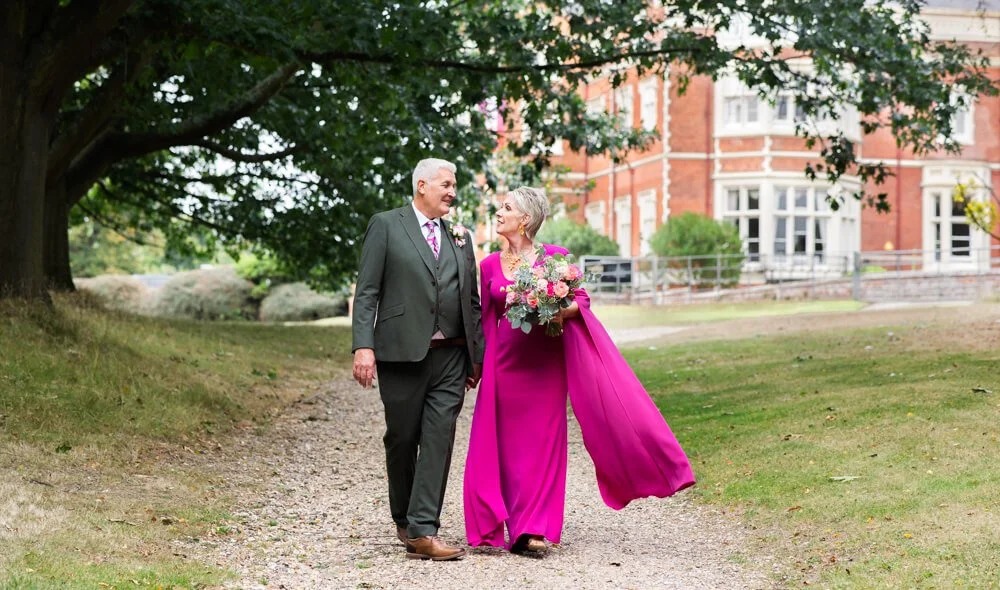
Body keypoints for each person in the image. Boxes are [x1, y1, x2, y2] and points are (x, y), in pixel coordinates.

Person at [463, 186, 695, 555]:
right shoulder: (489, 264)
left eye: (505, 208)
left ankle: (532, 528)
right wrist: (476, 365)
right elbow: (484, 319)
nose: (498, 213)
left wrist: (553, 307)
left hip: (543, 368)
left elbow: (581, 301)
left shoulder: (554, 259)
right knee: (502, 447)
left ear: (525, 219)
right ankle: (499, 521)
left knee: (540, 446)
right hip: (502, 367)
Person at [352, 157, 484, 561]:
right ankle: (404, 518)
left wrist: (475, 359)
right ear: (421, 185)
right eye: (445, 184)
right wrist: (363, 346)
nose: (452, 192)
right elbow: (368, 290)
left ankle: (424, 530)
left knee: (440, 438)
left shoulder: (460, 236)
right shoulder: (387, 225)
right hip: (401, 354)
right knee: (403, 437)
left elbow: (472, 302)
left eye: (454, 184)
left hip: (451, 356)